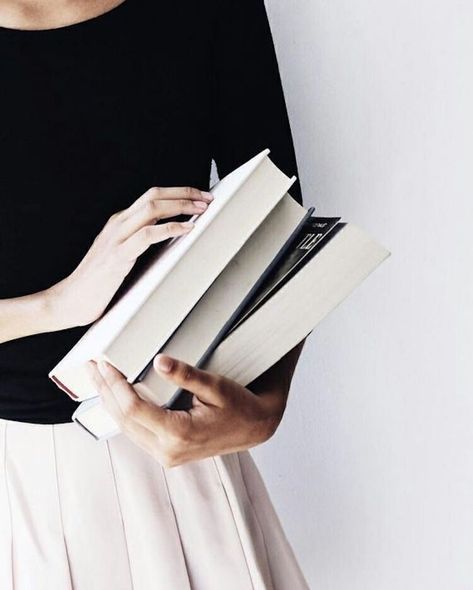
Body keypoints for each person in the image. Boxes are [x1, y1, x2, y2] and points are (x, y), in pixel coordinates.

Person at [0, 0, 310, 588]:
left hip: (182, 449)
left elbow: (279, 222)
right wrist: (62, 302)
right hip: (17, 483)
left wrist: (266, 406)